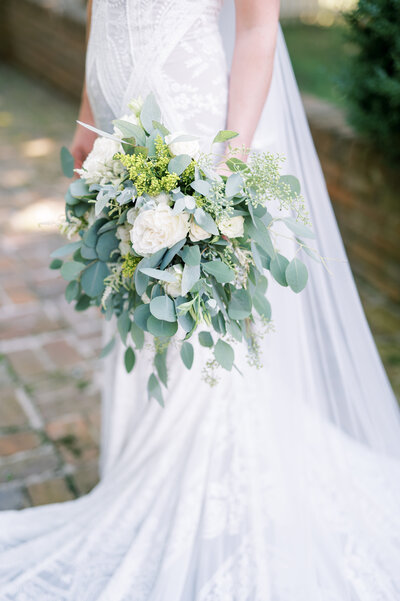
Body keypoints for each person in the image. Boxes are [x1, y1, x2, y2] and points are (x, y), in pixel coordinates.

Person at [0, 1, 399, 599]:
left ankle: (212, 504)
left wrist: (227, 167)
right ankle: (148, 469)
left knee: (200, 325)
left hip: (197, 128)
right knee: (141, 299)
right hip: (121, 120)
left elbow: (259, 26)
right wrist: (89, 112)